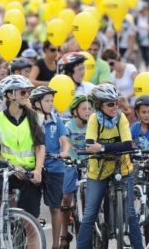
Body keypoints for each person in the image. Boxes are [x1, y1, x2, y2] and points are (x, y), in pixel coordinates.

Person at [0, 75, 45, 249]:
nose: (26, 95)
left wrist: (37, 170)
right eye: (23, 92)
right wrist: (12, 166)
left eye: (28, 92)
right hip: (5, 172)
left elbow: (40, 147)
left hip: (28, 175)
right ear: (9, 95)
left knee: (31, 227)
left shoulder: (35, 118)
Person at [76, 84, 144, 249]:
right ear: (99, 105)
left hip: (123, 168)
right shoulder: (93, 119)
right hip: (98, 171)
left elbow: (128, 145)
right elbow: (90, 145)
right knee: (89, 215)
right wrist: (111, 147)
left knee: (130, 214)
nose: (115, 107)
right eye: (110, 104)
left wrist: (103, 148)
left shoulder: (121, 118)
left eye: (116, 102)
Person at [29, 86, 71, 249]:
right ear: (36, 103)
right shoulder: (31, 122)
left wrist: (65, 152)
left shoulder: (57, 120)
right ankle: (34, 244)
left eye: (52, 101)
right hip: (35, 169)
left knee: (55, 207)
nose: (51, 104)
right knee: (33, 209)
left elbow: (65, 143)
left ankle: (55, 245)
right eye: (47, 101)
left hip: (55, 168)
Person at [60, 95, 93, 248]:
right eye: (84, 109)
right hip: (71, 163)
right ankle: (63, 234)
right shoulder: (68, 126)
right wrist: (65, 151)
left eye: (90, 109)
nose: (88, 112)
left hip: (89, 163)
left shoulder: (92, 125)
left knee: (92, 196)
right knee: (66, 196)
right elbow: (64, 139)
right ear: (75, 112)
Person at [57, 53, 96, 118]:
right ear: (69, 72)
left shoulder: (87, 86)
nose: (83, 72)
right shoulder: (57, 88)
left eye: (83, 69)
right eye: (79, 69)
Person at [136, 3, 149, 72]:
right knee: (144, 55)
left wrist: (144, 28)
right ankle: (147, 68)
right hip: (141, 39)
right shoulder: (137, 18)